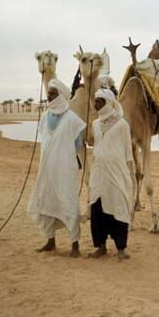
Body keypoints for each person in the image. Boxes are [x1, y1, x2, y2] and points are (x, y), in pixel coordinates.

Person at [27, 79, 86, 257]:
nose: (49, 96)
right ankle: (50, 241)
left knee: (68, 202)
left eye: (53, 93)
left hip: (65, 169)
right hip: (46, 168)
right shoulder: (45, 117)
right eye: (49, 93)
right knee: (46, 200)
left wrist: (63, 155)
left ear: (60, 94)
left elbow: (78, 145)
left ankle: (75, 245)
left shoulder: (73, 119)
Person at [88, 88, 135, 260]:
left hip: (116, 174)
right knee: (97, 208)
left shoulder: (122, 125)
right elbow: (96, 147)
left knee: (118, 206)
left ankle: (121, 249)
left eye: (100, 101)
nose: (96, 104)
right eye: (96, 101)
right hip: (99, 173)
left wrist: (128, 175)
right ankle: (101, 247)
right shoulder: (95, 124)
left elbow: (128, 152)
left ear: (108, 102)